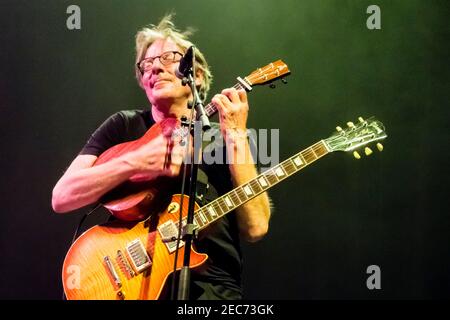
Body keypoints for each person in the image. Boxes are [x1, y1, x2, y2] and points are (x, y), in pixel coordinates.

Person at [52, 14, 271, 300]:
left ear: (198, 75)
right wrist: (136, 161)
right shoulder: (125, 126)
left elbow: (255, 227)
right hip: (134, 285)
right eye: (146, 65)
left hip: (213, 292)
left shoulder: (226, 135)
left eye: (168, 58)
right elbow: (62, 196)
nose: (154, 67)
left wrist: (237, 137)